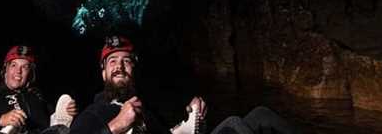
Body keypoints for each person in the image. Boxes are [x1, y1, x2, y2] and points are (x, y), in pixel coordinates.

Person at [69, 36, 297, 134]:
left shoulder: (144, 110)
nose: (120, 66)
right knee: (236, 124)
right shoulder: (92, 115)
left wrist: (192, 120)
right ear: (103, 73)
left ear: (133, 71)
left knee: (261, 115)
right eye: (112, 62)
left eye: (126, 61)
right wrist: (115, 126)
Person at [0, 45, 77, 134]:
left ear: (30, 74)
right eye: (13, 65)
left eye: (24, 67)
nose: (18, 71)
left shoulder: (37, 98)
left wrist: (67, 111)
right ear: (5, 70)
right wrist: (0, 120)